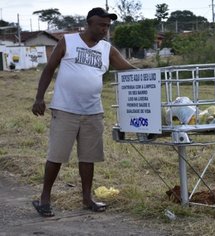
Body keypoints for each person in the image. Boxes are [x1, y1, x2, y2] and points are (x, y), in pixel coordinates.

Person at [31, 7, 136, 217]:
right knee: (57, 155)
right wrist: (39, 98)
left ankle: (87, 199)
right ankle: (44, 198)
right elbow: (49, 69)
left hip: (93, 111)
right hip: (65, 109)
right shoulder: (68, 41)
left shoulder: (107, 49)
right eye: (101, 25)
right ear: (89, 23)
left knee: (88, 157)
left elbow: (128, 69)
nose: (105, 29)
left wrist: (155, 76)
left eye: (108, 26)